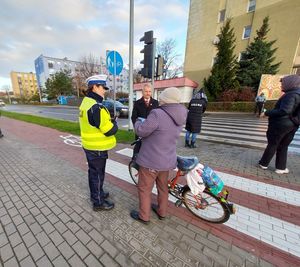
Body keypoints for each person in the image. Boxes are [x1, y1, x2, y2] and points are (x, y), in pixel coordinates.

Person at [130, 87, 188, 224]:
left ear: (165, 99)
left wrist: (138, 121)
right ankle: (162, 212)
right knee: (162, 188)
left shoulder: (157, 114)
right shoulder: (182, 113)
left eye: (162, 97)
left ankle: (144, 216)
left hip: (151, 160)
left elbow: (142, 131)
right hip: (167, 160)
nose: (160, 100)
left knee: (144, 189)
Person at [79, 74, 118, 211]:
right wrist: (115, 124)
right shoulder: (97, 107)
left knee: (93, 173)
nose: (104, 90)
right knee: (98, 175)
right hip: (98, 148)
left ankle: (97, 194)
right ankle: (98, 202)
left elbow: (94, 123)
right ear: (94, 87)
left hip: (89, 146)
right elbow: (108, 130)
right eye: (102, 87)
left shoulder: (86, 102)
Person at [258, 74, 300, 174]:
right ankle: (281, 168)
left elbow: (285, 110)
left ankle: (263, 164)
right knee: (284, 145)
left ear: (290, 83)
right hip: (293, 124)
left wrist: (267, 113)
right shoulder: (297, 94)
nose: (281, 85)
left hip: (282, 124)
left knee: (273, 144)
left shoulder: (291, 95)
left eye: (283, 83)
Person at [131, 83, 159, 158]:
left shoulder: (156, 103)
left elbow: (158, 116)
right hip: (140, 128)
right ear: (142, 92)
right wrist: (136, 127)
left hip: (151, 129)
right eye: (146, 91)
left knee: (150, 145)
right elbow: (134, 117)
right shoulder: (137, 103)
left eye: (149, 91)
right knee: (138, 144)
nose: (148, 93)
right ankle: (135, 158)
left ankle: (148, 159)